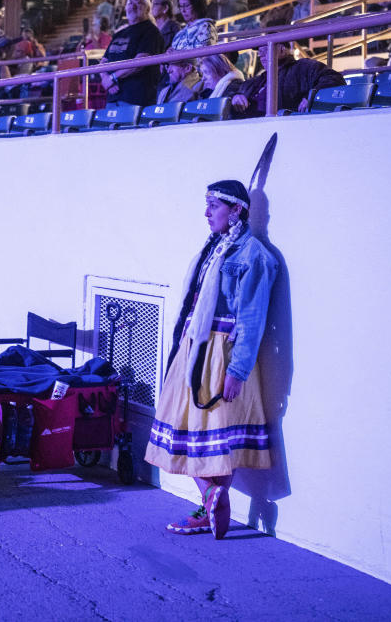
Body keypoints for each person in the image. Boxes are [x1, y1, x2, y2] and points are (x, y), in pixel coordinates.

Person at [145, 180, 278, 540]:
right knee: (188, 428)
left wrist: (237, 371)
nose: (206, 213)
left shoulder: (254, 256)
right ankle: (212, 498)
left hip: (221, 351)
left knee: (213, 433)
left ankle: (208, 506)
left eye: (213, 206)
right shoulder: (215, 247)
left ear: (236, 210)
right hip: (194, 346)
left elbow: (253, 319)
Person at [228, 41, 345, 117]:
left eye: (265, 51)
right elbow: (237, 90)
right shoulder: (258, 79)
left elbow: (334, 79)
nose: (261, 56)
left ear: (282, 50)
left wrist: (312, 96)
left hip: (285, 126)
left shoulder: (303, 67)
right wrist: (236, 96)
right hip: (250, 126)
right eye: (260, 53)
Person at [99, 0, 164, 107]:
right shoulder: (119, 33)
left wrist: (113, 77)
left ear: (148, 9)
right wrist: (106, 79)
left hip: (136, 98)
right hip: (113, 96)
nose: (133, 6)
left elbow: (140, 62)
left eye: (138, 3)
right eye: (129, 3)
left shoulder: (151, 31)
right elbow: (103, 61)